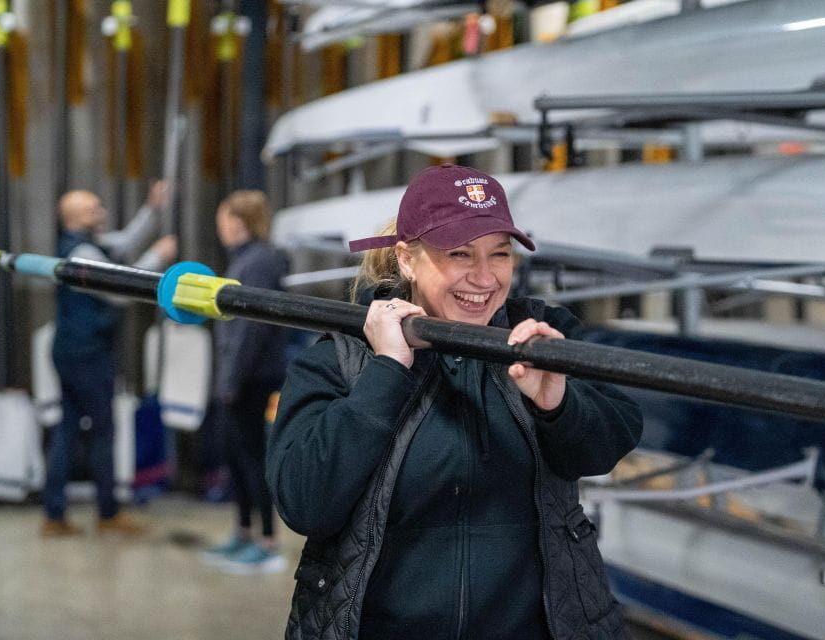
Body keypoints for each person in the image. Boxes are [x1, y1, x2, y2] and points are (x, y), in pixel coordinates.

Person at [267, 164, 643, 639]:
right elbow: (304, 504)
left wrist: (559, 403)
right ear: (406, 258)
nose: (484, 278)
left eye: (500, 255)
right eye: (460, 254)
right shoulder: (342, 357)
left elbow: (610, 441)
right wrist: (386, 371)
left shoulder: (542, 337)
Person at [43, 182, 177, 536]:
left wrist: (153, 208)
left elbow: (125, 243)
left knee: (68, 430)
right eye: (93, 209)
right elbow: (119, 289)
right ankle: (108, 515)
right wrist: (159, 258)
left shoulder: (87, 244)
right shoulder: (82, 254)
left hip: (71, 353)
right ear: (74, 219)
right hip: (87, 356)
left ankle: (54, 515)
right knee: (104, 431)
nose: (101, 212)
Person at [200, 190, 289, 574]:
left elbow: (251, 329)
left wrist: (232, 379)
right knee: (237, 457)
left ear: (238, 221)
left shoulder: (259, 262)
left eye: (223, 218)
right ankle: (243, 533)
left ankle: (267, 542)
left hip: (253, 377)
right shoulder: (245, 261)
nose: (220, 226)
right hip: (240, 376)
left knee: (253, 458)